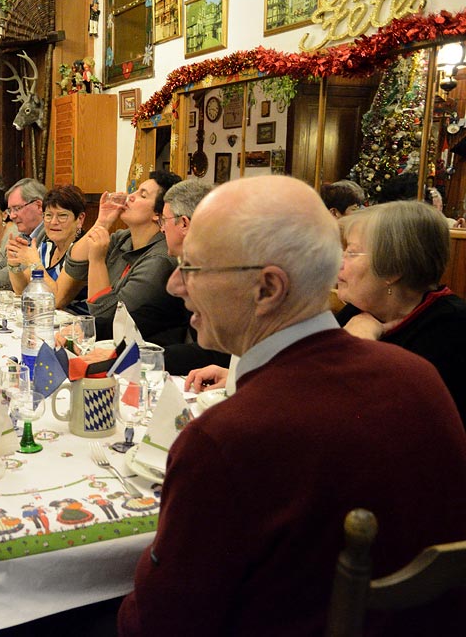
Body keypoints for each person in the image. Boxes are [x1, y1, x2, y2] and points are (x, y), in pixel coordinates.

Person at [119, 176, 466, 635]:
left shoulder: (225, 439)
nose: (175, 285)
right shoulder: (418, 378)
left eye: (193, 268)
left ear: (267, 289)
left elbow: (159, 622)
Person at [336, 200, 466, 424]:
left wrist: (357, 347)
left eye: (352, 253)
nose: (340, 262)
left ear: (394, 269)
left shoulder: (453, 331)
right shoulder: (356, 312)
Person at [59, 170, 188, 343]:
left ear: (159, 213)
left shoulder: (160, 260)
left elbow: (107, 317)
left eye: (142, 195)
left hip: (140, 354)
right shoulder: (124, 237)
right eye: (134, 191)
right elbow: (75, 265)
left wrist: (97, 261)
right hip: (108, 342)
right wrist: (102, 222)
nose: (130, 197)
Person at [156, 178, 231, 375]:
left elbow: (216, 352)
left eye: (164, 220)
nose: (162, 228)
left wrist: (143, 359)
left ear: (184, 223)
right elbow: (156, 314)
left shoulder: (221, 271)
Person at [6, 184, 89, 314]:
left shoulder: (81, 250)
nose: (53, 222)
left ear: (79, 219)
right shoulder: (46, 247)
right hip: (47, 320)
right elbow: (21, 290)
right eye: (48, 215)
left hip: (77, 327)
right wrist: (13, 264)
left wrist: (34, 263)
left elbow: (57, 300)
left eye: (62, 215)